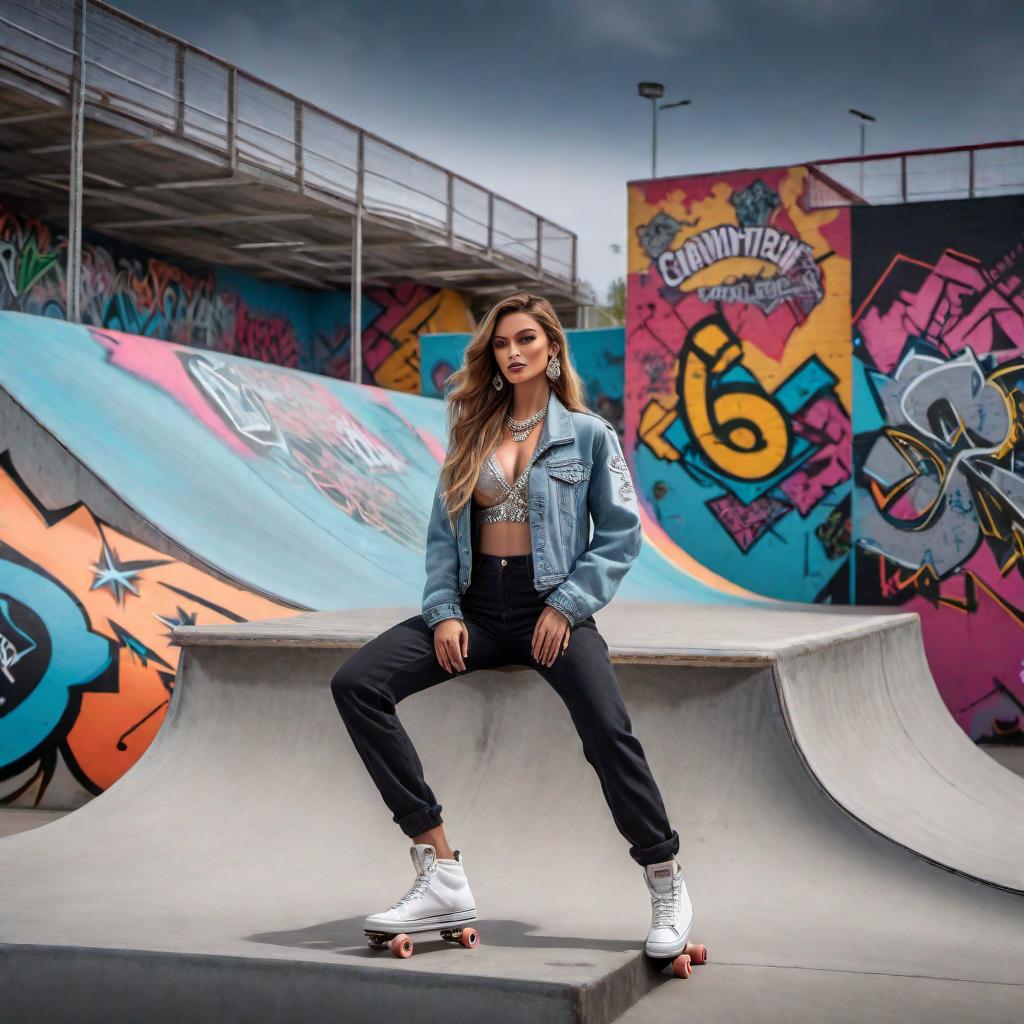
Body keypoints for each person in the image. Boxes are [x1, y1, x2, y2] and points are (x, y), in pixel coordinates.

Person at [330, 291, 692, 959]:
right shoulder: (471, 433)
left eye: (526, 339)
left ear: (552, 349)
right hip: (474, 608)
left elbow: (619, 535)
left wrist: (567, 606)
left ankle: (665, 878)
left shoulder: (588, 434)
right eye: (502, 343)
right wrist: (443, 613)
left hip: (551, 605)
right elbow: (442, 538)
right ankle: (440, 868)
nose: (514, 351)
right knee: (357, 684)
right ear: (492, 356)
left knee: (608, 733)